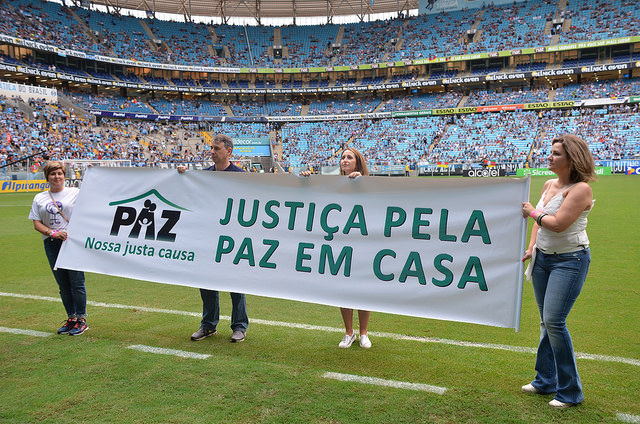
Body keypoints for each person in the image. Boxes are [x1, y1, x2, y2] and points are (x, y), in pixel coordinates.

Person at [521, 134, 596, 408]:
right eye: (550, 152)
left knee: (554, 321)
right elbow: (540, 227)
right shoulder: (549, 183)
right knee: (545, 321)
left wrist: (531, 212)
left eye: (556, 153)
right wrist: (531, 248)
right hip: (542, 259)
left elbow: (558, 223)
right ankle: (545, 380)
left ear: (572, 158)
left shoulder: (581, 189)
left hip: (570, 260)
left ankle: (570, 392)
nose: (549, 157)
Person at [178, 134, 249, 343]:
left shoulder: (241, 176)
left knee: (236, 284)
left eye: (216, 148)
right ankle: (208, 325)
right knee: (206, 282)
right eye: (211, 148)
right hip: (208, 237)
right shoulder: (204, 175)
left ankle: (239, 326)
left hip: (233, 238)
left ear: (229, 151)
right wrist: (182, 175)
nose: (212, 152)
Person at [301, 147, 372, 349]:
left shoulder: (369, 183)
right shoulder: (332, 184)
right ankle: (349, 333)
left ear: (358, 162)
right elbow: (314, 196)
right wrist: (307, 179)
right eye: (342, 157)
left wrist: (362, 182)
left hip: (363, 245)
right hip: (339, 245)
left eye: (349, 157)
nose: (344, 160)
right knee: (344, 291)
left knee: (363, 290)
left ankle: (364, 333)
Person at [29, 160, 88, 336]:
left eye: (60, 173)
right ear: (47, 177)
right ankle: (71, 318)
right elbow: (36, 223)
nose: (57, 177)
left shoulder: (75, 193)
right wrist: (53, 234)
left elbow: (95, 196)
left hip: (72, 243)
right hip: (52, 243)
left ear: (64, 175)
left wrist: (93, 172)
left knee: (77, 283)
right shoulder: (40, 198)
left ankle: (82, 320)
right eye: (53, 174)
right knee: (63, 284)